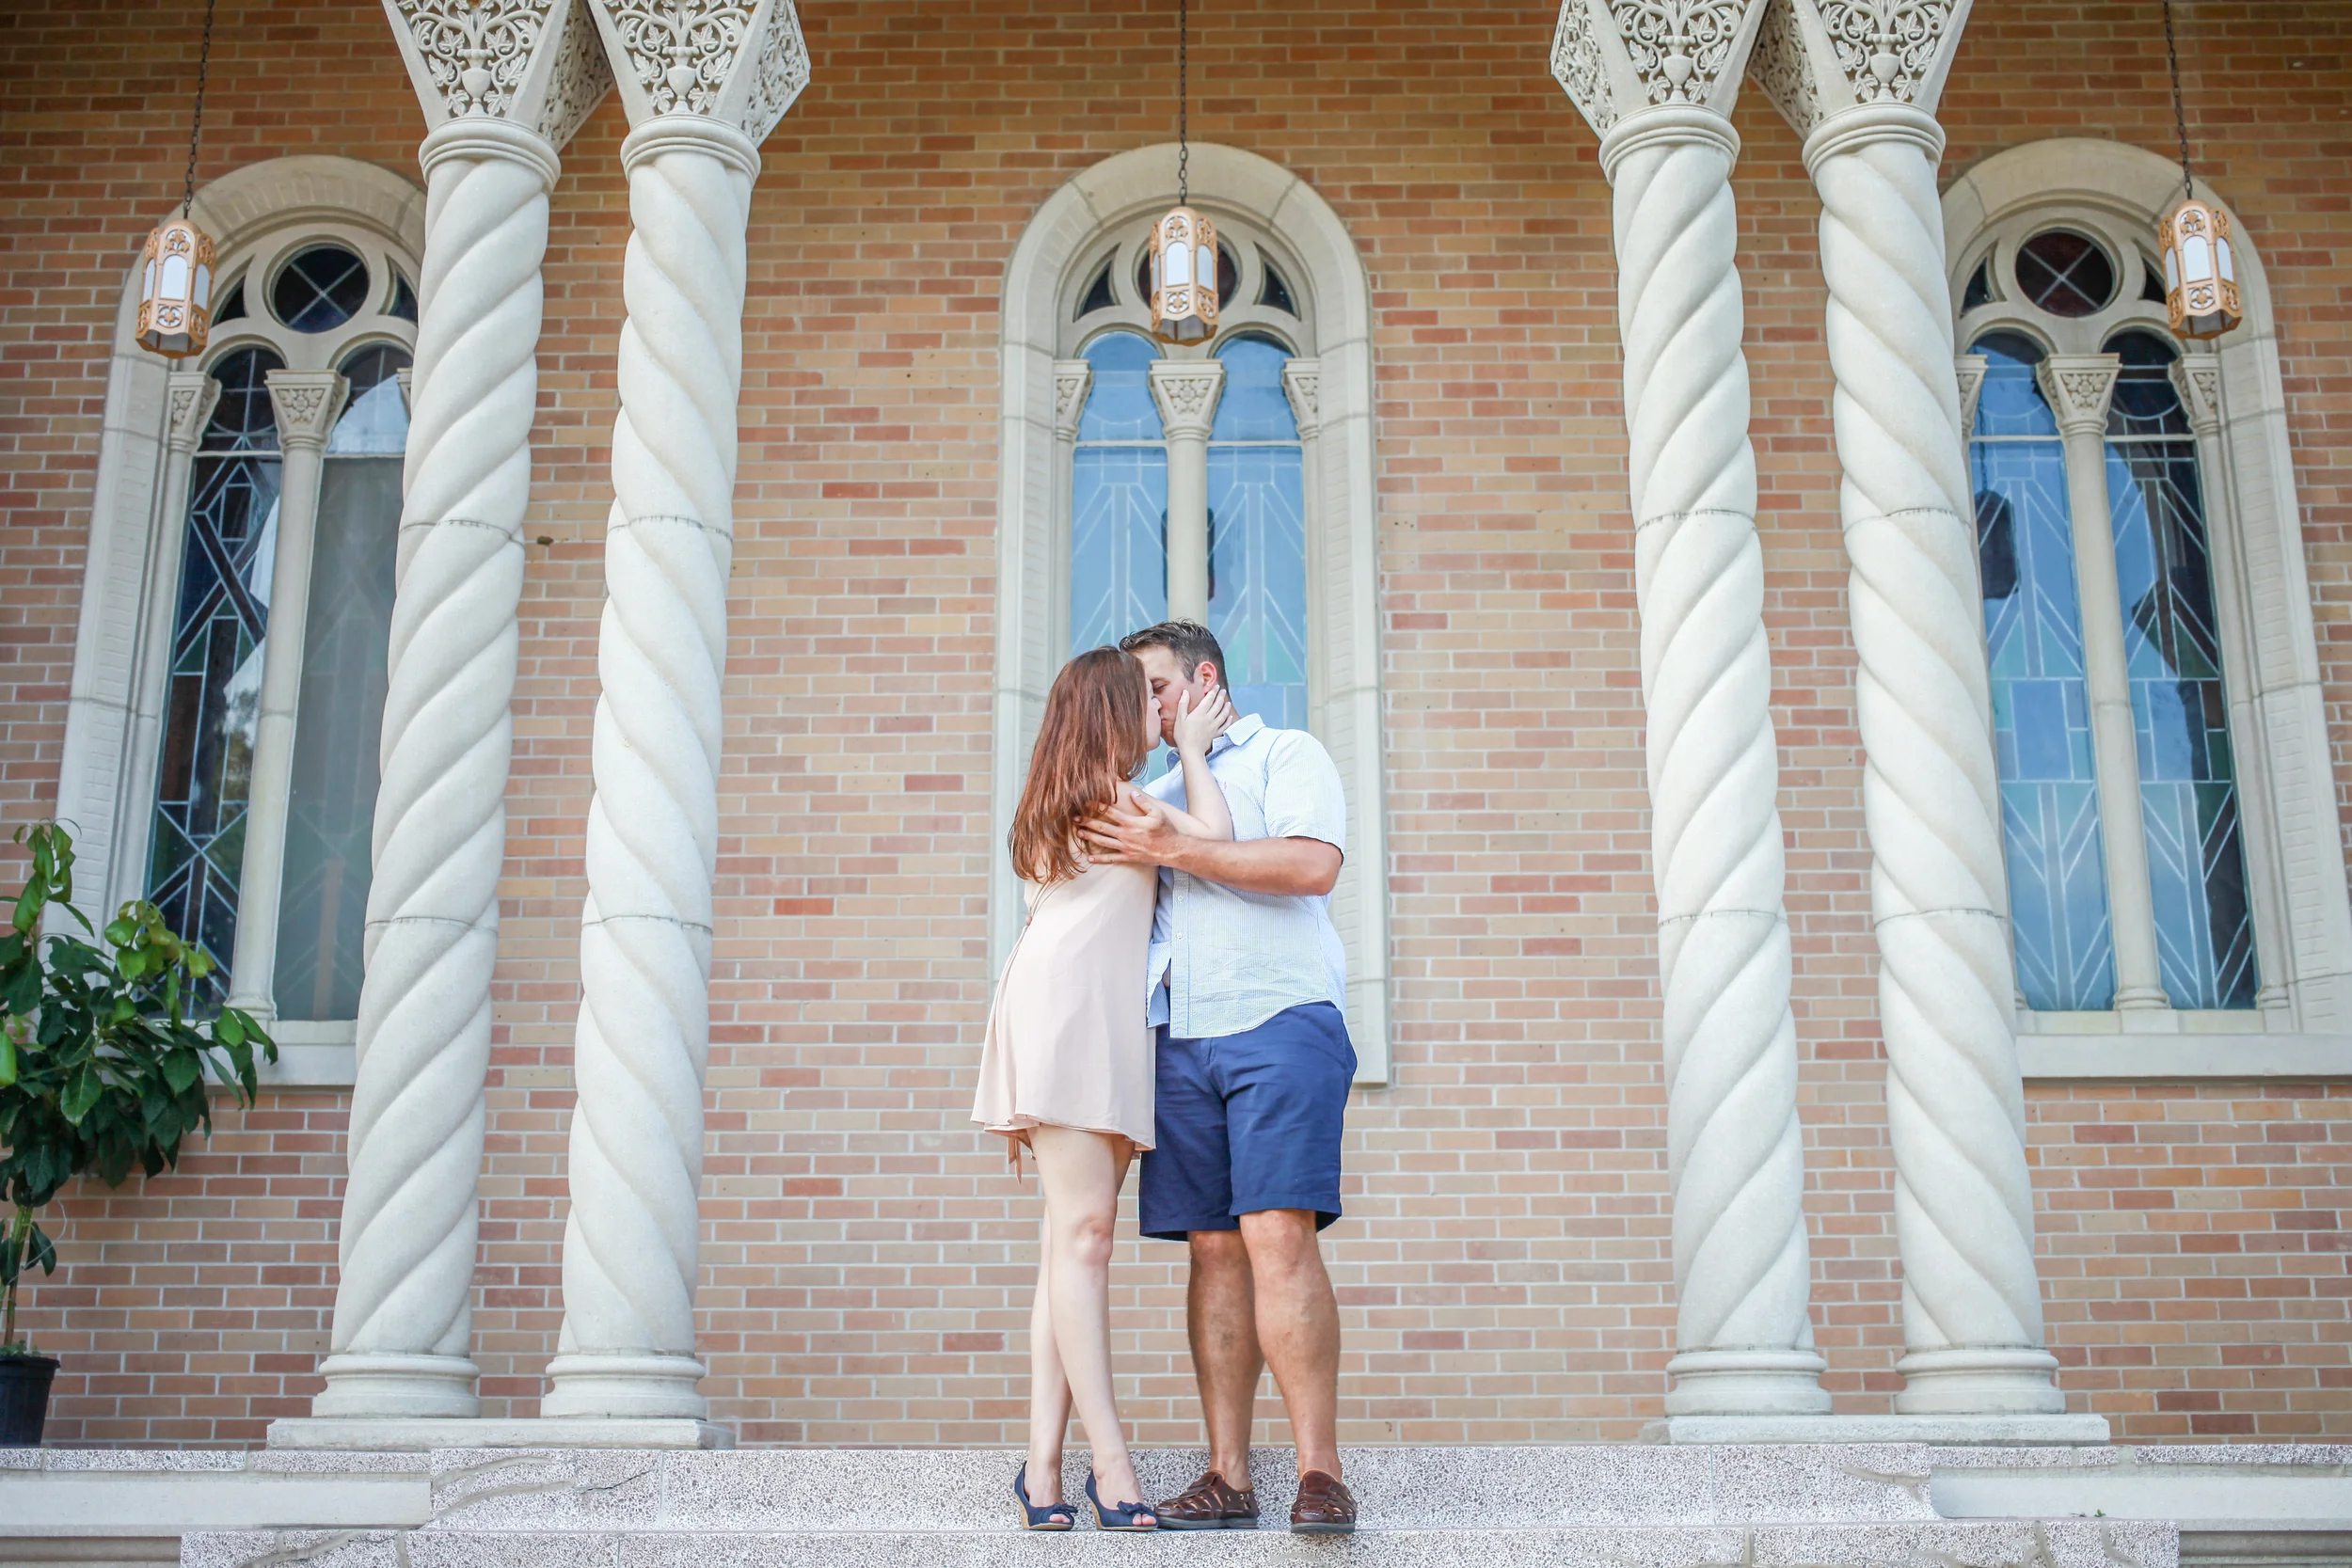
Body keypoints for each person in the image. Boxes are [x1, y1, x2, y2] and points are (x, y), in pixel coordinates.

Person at [1083, 620, 1359, 1537]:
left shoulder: (1288, 752)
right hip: (1180, 1037)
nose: (1145, 708)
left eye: (1155, 687)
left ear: (1204, 679)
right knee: (1211, 1249)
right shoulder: (1155, 792)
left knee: (1276, 1230)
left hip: (1280, 1017)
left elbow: (1309, 864)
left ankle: (1318, 1469)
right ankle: (1226, 1473)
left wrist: (1178, 851)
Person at [973, 644, 1235, 1533]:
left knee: (1070, 1244)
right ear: (1116, 715)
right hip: (1072, 1020)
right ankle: (1108, 1466)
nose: (1162, 711)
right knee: (1084, 1244)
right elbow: (1215, 843)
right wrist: (1196, 752)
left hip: (1088, 1020)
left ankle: (1042, 1471)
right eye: (1148, 702)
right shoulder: (1115, 803)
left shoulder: (1079, 798)